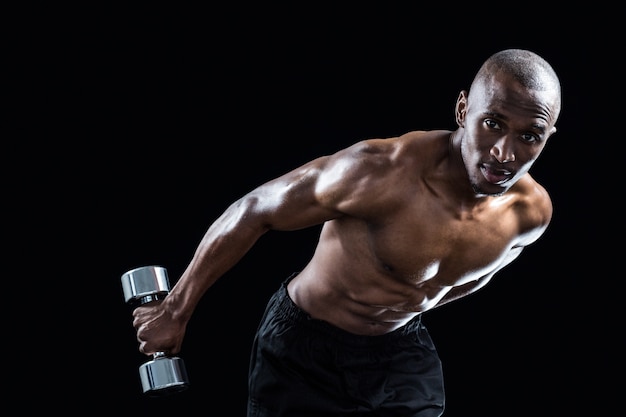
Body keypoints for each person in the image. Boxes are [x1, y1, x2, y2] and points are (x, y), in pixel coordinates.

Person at [131, 48, 562, 416]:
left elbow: (464, 280)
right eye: (492, 124)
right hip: (304, 350)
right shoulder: (378, 171)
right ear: (464, 110)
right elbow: (253, 210)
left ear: (547, 136)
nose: (505, 152)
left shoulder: (531, 214)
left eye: (529, 136)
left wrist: (401, 310)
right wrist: (175, 311)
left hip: (400, 354)